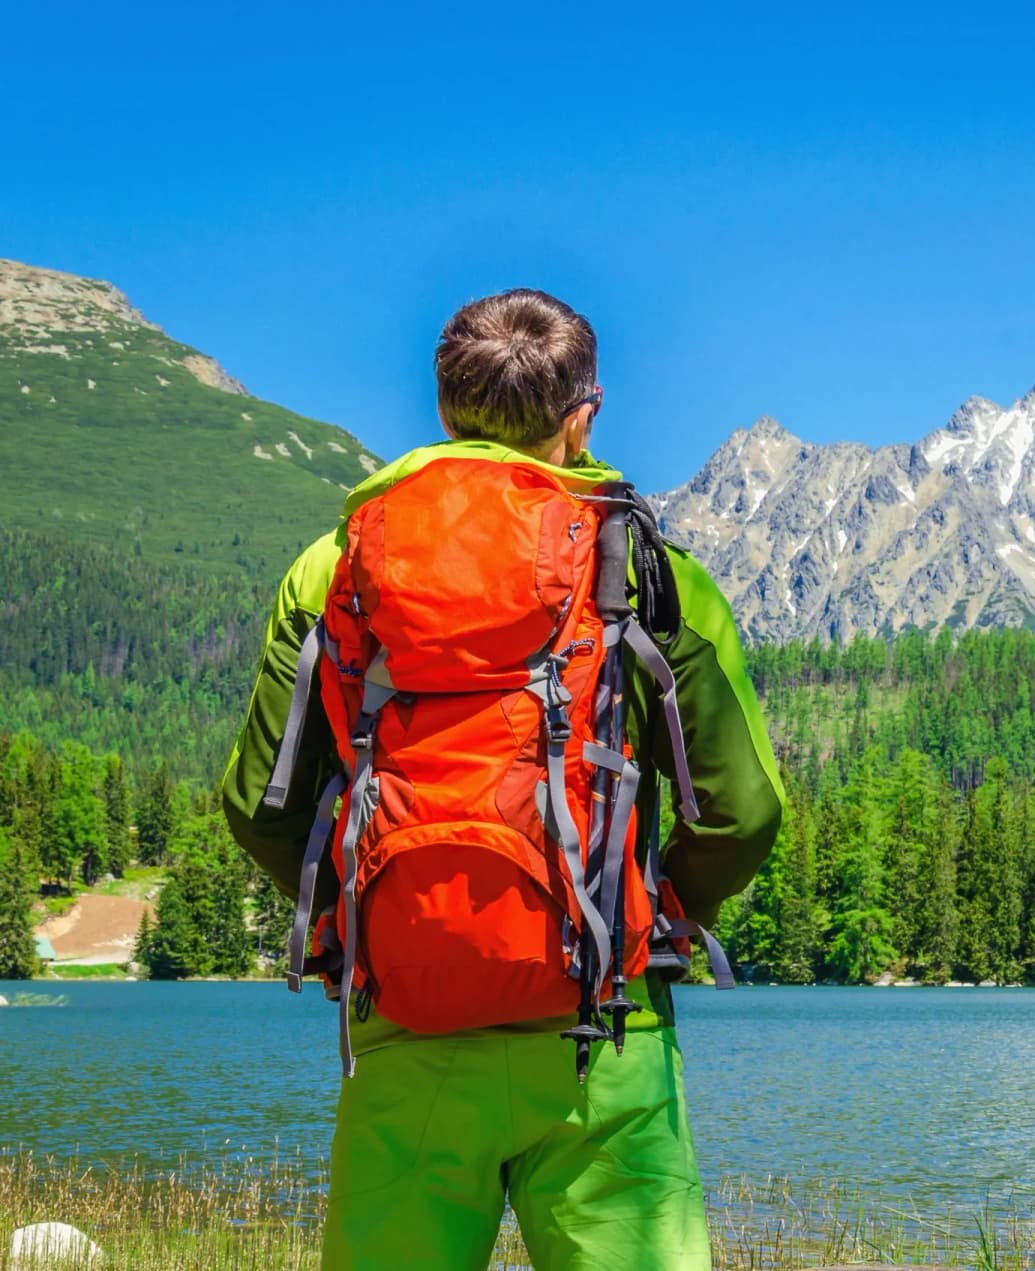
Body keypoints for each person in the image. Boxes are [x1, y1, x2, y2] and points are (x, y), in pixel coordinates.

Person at [222, 289, 784, 1270]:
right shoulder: (653, 571)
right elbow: (742, 812)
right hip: (604, 1031)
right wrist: (651, 908)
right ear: (583, 415)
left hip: (405, 1021)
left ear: (445, 410)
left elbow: (260, 803)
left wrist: (378, 918)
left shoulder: (335, 566)